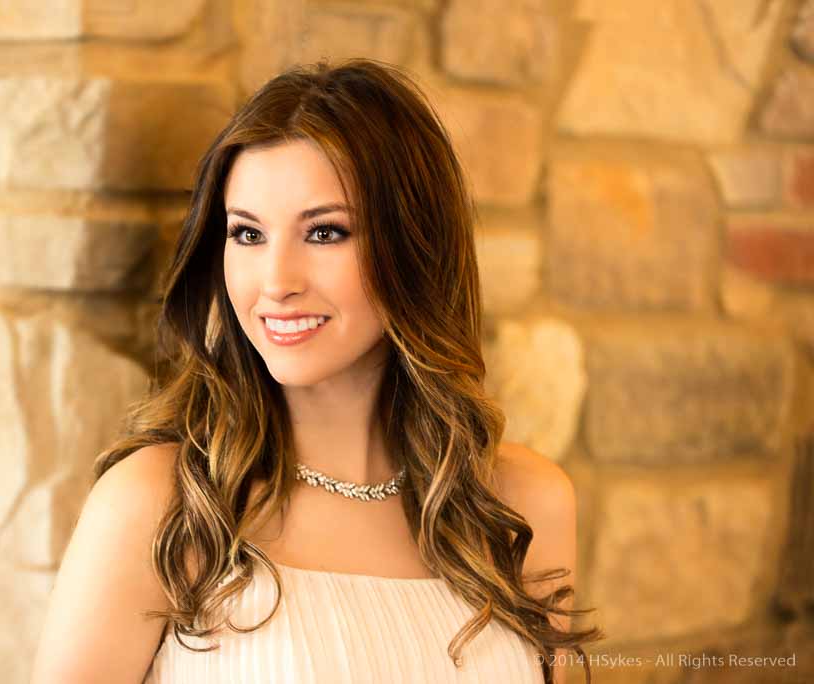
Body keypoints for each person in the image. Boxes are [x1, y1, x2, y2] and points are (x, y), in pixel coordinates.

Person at [30, 58, 604, 684]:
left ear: (415, 249)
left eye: (325, 232)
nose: (276, 283)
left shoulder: (519, 508)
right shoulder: (163, 505)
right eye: (247, 235)